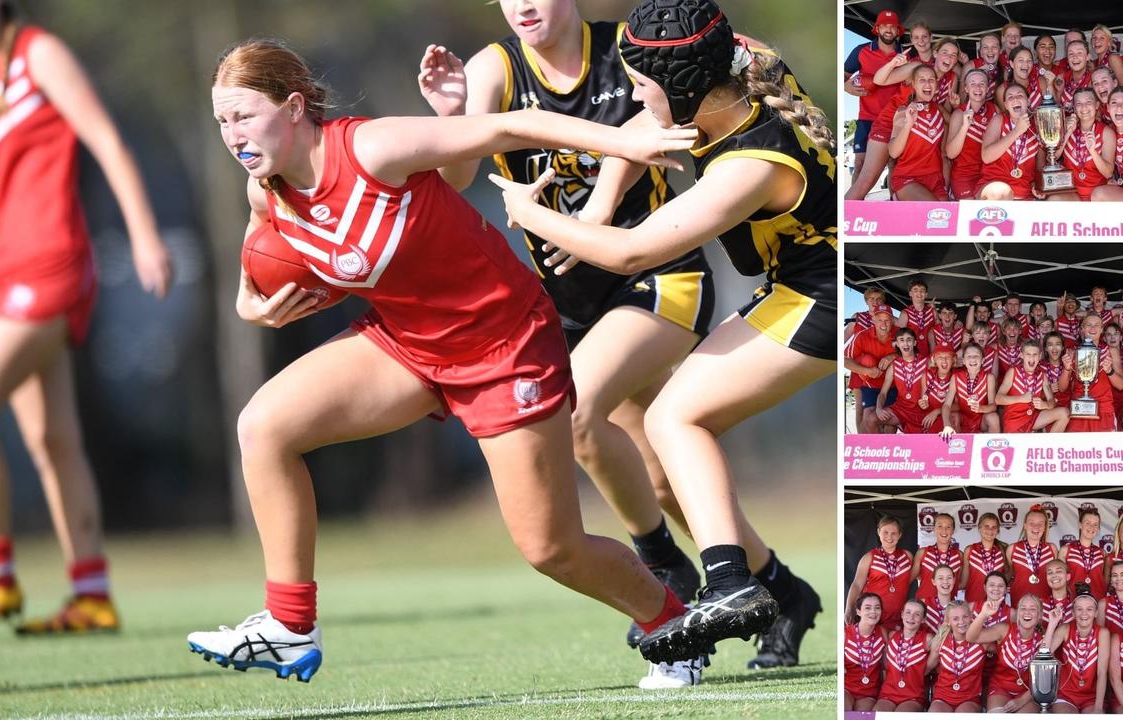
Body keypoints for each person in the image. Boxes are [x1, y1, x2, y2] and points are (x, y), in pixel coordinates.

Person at [187, 37, 708, 685]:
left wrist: (625, 145)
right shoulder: (265, 191)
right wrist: (249, 303)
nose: (231, 134)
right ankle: (290, 627)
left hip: (505, 345)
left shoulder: (372, 148)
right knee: (264, 427)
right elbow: (259, 253)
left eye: (243, 115)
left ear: (294, 107)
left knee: (551, 549)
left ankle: (674, 624)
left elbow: (508, 125)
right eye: (221, 121)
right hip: (407, 344)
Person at [491, 0, 838, 669]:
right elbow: (640, 126)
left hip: (819, 297)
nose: (635, 95)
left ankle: (730, 584)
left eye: (643, 84)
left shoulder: (752, 164)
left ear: (680, 86)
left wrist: (525, 212)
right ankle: (768, 588)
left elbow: (630, 254)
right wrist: (598, 200)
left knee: (678, 417)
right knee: (667, 441)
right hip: (801, 286)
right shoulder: (739, 65)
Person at [421, 0, 715, 657]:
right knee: (662, 476)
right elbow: (457, 173)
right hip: (572, 304)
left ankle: (663, 564)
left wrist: (601, 210)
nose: (523, 4)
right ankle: (775, 585)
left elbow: (657, 120)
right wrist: (451, 120)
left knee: (579, 415)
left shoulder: (628, 48)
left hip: (658, 274)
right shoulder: (492, 68)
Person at [0, 0, 173, 634]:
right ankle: (90, 594)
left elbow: (107, 141)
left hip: (49, 266)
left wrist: (146, 237)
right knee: (52, 439)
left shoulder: (38, 52)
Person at [843, 10, 904, 200]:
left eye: (892, 26)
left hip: (893, 119)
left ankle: (895, 205)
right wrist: (846, 86)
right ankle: (854, 210)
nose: (888, 29)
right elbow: (842, 76)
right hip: (867, 117)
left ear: (897, 31)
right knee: (860, 164)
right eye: (884, 25)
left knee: (894, 164)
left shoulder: (905, 54)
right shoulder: (861, 50)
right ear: (877, 28)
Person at [968, 594, 1049, 713]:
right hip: (1001, 687)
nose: (1027, 612)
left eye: (1032, 609)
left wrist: (1022, 700)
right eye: (1023, 608)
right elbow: (971, 637)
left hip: (1029, 693)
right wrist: (983, 614)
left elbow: (1043, 679)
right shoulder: (1004, 629)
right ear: (1017, 612)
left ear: (1040, 615)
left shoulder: (1043, 639)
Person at [887, 64, 949, 200]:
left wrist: (956, 106)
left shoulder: (939, 110)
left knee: (949, 217)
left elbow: (956, 122)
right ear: (913, 84)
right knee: (935, 211)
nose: (927, 84)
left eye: (931, 80)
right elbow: (893, 152)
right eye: (922, 80)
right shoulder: (903, 111)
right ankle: (897, 198)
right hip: (908, 178)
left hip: (935, 179)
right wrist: (909, 124)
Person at [846, 516, 913, 632]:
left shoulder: (907, 556)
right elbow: (857, 585)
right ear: (878, 532)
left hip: (898, 619)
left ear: (900, 534)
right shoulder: (869, 557)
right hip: (873, 618)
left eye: (894, 533)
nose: (889, 537)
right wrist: (848, 608)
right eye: (885, 532)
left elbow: (919, 579)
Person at [1047, 594, 1111, 713]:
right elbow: (1042, 655)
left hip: (1092, 697)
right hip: (1065, 695)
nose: (1084, 613)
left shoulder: (1102, 633)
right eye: (1079, 609)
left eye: (1089, 609)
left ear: (1096, 613)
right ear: (1073, 613)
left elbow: (1102, 672)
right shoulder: (1065, 629)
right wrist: (1052, 624)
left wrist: (1098, 707)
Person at [977, 84, 1041, 200]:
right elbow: (986, 157)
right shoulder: (999, 120)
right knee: (1001, 192)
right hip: (994, 186)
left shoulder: (1037, 127)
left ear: (1028, 101)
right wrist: (1017, 131)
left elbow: (1040, 167)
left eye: (1020, 95)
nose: (1015, 99)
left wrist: (1038, 186)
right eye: (1010, 97)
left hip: (1024, 191)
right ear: (1006, 105)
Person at [1060, 314, 1122, 433]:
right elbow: (1062, 388)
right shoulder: (1073, 352)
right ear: (1082, 328)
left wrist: (1110, 371)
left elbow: (1121, 385)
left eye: (1096, 325)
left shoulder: (1110, 351)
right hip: (1079, 409)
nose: (1093, 328)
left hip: (1103, 409)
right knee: (1077, 450)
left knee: (1103, 449)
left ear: (1102, 329)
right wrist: (1067, 369)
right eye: (1089, 325)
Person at [996, 340, 1070, 433]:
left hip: (1033, 418)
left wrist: (1045, 405)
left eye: (1035, 354)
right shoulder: (1013, 372)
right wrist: (1020, 399)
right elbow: (998, 399)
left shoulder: (1042, 375)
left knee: (1064, 413)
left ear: (1039, 357)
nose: (1032, 357)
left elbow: (1052, 402)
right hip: (1014, 419)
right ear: (1022, 355)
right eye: (1028, 354)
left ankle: (1049, 445)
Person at [945, 68, 996, 200]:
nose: (978, 87)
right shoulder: (958, 113)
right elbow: (950, 153)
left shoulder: (994, 109)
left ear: (988, 88)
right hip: (965, 175)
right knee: (973, 212)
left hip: (989, 173)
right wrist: (964, 127)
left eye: (982, 84)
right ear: (966, 89)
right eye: (973, 84)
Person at [874, 598, 932, 712]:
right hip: (888, 693)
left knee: (901, 715)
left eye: (917, 614)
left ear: (924, 619)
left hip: (913, 696)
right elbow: (885, 665)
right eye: (908, 612)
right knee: (877, 714)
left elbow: (932, 664)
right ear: (902, 614)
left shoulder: (928, 639)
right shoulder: (891, 635)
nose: (911, 617)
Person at [927, 601, 986, 713]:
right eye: (955, 618)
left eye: (965, 617)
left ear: (971, 618)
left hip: (969, 699)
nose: (961, 622)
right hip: (942, 697)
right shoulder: (940, 641)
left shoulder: (982, 640)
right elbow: (927, 668)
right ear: (948, 621)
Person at [846, 304, 896, 434]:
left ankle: (890, 450)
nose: (883, 324)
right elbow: (845, 359)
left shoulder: (900, 333)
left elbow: (913, 353)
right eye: (880, 320)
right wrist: (867, 371)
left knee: (890, 420)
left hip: (892, 385)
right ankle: (872, 449)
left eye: (887, 320)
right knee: (868, 416)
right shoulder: (862, 336)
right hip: (870, 384)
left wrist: (893, 356)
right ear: (873, 319)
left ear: (892, 321)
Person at [1059, 88, 1115, 201]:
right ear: (1074, 108)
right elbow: (1052, 156)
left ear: (1097, 105)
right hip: (1072, 192)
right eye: (1079, 104)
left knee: (1098, 195)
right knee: (1054, 200)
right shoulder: (1067, 126)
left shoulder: (1106, 132)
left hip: (1097, 193)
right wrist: (1067, 134)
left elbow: (1108, 173)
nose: (1084, 107)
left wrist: (1093, 151)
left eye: (1088, 102)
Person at [871, 328, 927, 433]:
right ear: (896, 343)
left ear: (914, 342)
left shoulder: (926, 362)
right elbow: (883, 393)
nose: (905, 343)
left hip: (922, 410)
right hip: (901, 410)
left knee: (917, 446)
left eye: (909, 340)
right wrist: (879, 408)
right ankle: (881, 449)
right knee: (870, 419)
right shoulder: (893, 366)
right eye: (901, 340)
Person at [943, 344, 999, 433]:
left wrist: (981, 408)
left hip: (981, 419)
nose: (972, 359)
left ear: (982, 360)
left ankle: (993, 445)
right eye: (969, 356)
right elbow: (947, 405)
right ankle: (956, 444)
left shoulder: (989, 378)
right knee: (953, 416)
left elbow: (993, 406)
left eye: (976, 356)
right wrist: (947, 425)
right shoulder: (956, 377)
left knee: (993, 417)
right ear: (964, 361)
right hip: (963, 417)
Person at [843, 593, 885, 712]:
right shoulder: (845, 633)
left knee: (863, 716)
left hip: (869, 693)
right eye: (867, 608)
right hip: (846, 689)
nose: (873, 611)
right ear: (858, 611)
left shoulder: (884, 633)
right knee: (844, 710)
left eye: (877, 607)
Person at [1007, 506, 1056, 602]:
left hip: (1046, 606)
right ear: (1025, 525)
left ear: (1045, 527)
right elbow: (1007, 576)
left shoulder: (1052, 549)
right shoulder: (1012, 549)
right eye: (1031, 523)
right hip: (1019, 606)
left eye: (1040, 524)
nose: (1036, 527)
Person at [911, 513, 962, 604]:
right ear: (934, 529)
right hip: (924, 605)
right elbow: (911, 578)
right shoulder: (922, 553)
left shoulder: (959, 555)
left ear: (953, 530)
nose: (944, 530)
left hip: (948, 607)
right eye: (939, 526)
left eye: (948, 527)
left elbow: (961, 582)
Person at [1061, 507, 1107, 600]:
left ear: (1098, 529)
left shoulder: (1102, 553)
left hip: (1097, 604)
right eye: (1087, 523)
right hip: (1073, 603)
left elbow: (1105, 581)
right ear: (1080, 525)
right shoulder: (1066, 550)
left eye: (1095, 525)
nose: (1091, 527)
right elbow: (1060, 580)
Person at [961, 518, 1007, 604]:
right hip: (973, 601)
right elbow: (964, 581)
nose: (990, 530)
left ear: (998, 530)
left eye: (994, 527)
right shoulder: (970, 550)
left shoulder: (1003, 550)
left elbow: (1007, 575)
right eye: (986, 526)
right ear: (979, 528)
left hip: (996, 602)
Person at [894, 279, 935, 357]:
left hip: (930, 357)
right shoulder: (905, 313)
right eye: (915, 290)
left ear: (926, 294)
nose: (919, 293)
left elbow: (940, 330)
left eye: (922, 290)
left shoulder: (932, 312)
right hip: (912, 357)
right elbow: (899, 337)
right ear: (910, 293)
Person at [1098, 559, 1123, 636]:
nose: (1118, 579)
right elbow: (1099, 634)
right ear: (1111, 579)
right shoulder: (1103, 604)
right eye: (1115, 575)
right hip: (1111, 646)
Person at [922, 564, 958, 634]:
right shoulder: (923, 604)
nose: (945, 581)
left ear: (954, 580)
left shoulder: (959, 606)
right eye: (940, 578)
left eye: (949, 578)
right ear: (933, 582)